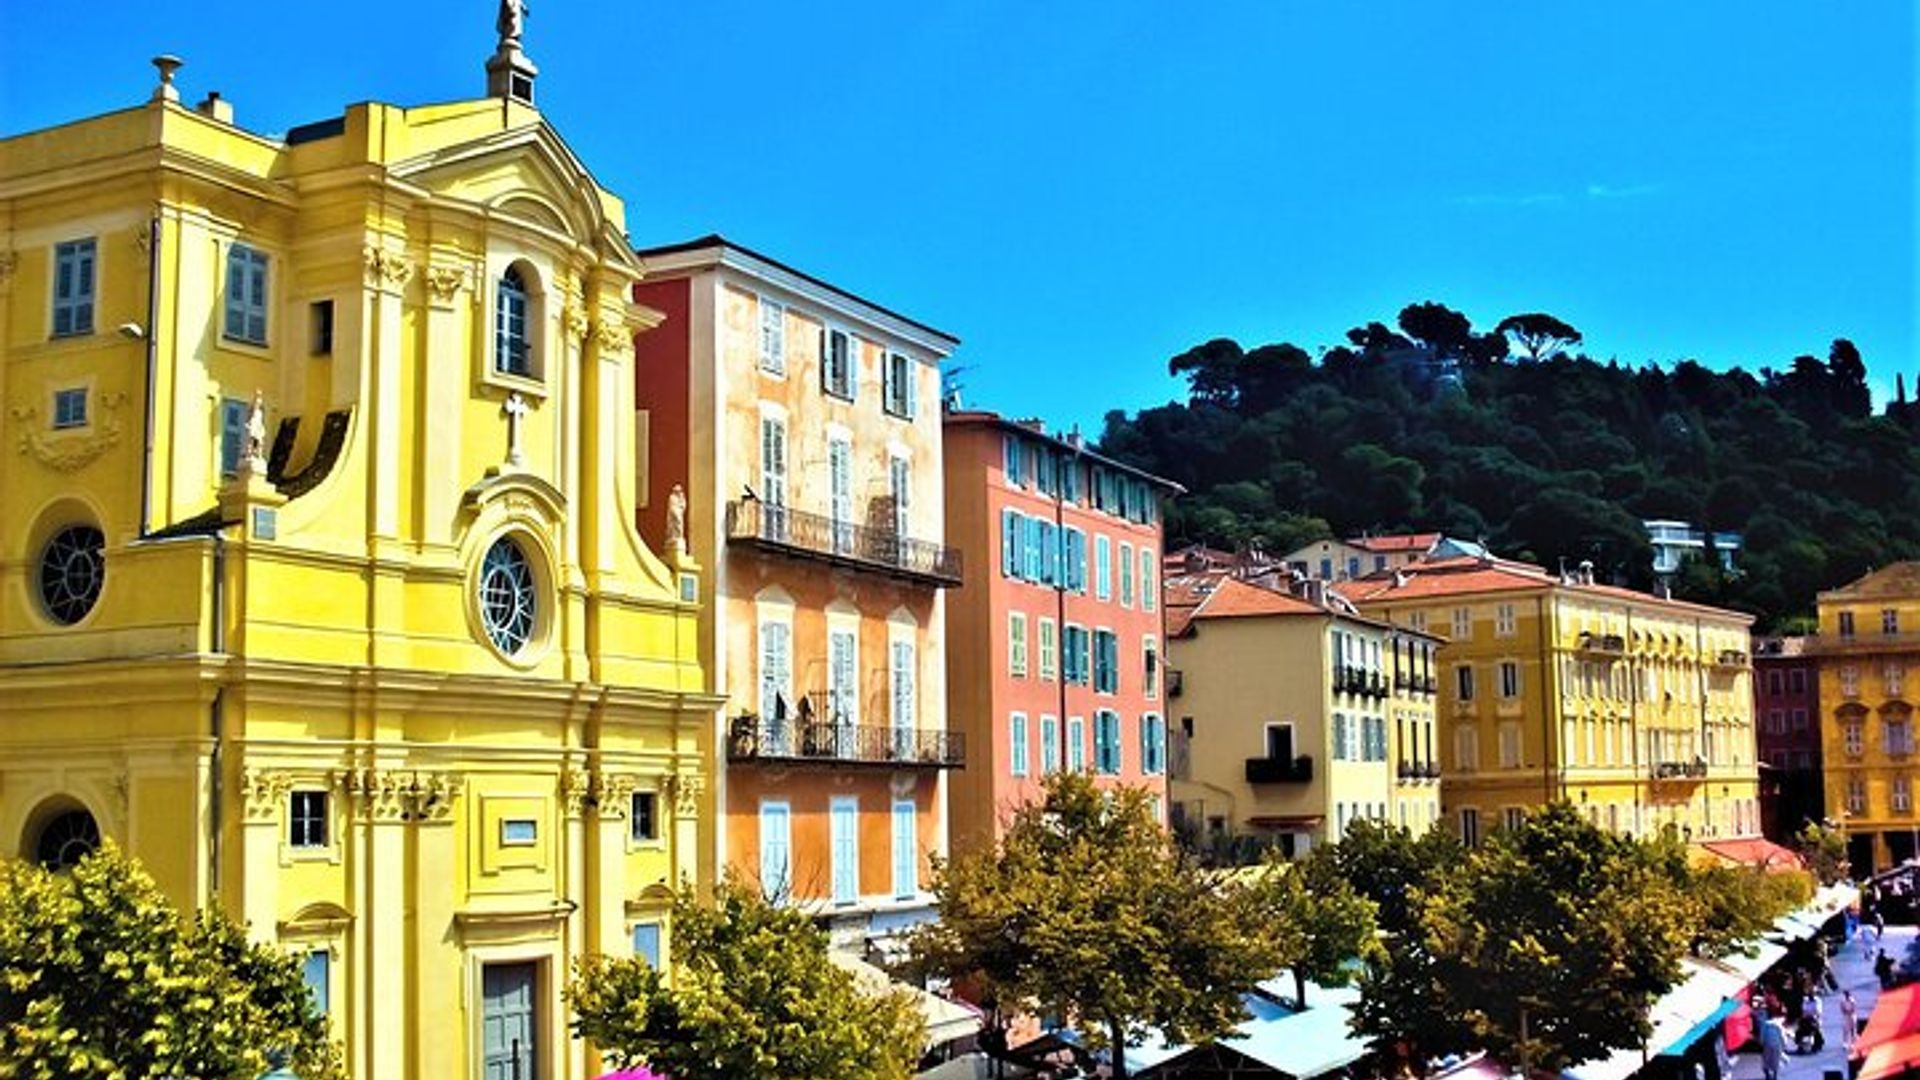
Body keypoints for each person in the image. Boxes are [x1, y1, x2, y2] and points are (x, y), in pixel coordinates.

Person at [1760, 1010, 1788, 1080]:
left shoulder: (1765, 1024)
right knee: (1776, 1061)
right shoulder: (1778, 1025)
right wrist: (1784, 1045)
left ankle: (1767, 1075)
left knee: (1766, 1061)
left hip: (1767, 1045)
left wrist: (1762, 1043)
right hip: (1776, 1045)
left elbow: (1762, 1036)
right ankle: (1775, 1076)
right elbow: (1782, 1036)